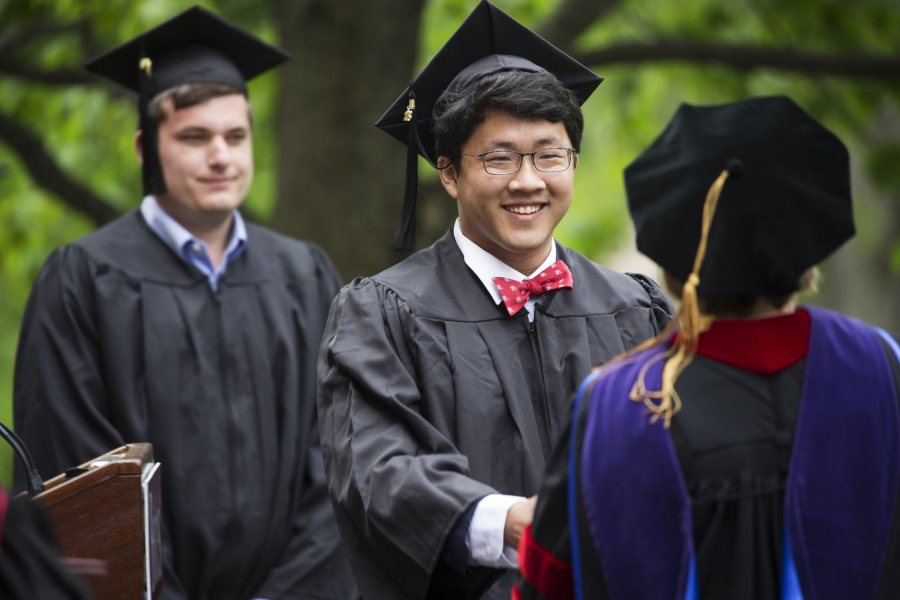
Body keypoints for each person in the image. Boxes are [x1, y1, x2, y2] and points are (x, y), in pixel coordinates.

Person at [316, 2, 673, 599]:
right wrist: (503, 522)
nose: (528, 180)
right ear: (449, 173)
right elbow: (377, 471)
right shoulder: (380, 314)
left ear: (572, 163)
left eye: (548, 155)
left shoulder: (634, 308)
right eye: (499, 158)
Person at [13, 7, 353, 600]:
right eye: (194, 137)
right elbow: (78, 482)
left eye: (235, 136)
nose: (220, 156)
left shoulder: (304, 276)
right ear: (147, 148)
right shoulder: (83, 280)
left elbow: (339, 464)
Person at [516, 95, 900, 600]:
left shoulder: (616, 406)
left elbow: (548, 583)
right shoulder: (881, 366)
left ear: (675, 263)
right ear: (807, 244)